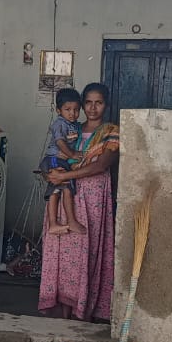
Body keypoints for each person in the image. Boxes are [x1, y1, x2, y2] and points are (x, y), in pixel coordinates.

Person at [38, 83, 120, 323]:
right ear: (82, 105)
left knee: (86, 252)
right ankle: (63, 312)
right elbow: (52, 157)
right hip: (66, 197)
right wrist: (51, 175)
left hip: (93, 200)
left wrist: (65, 176)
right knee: (63, 252)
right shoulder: (70, 128)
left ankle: (83, 311)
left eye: (99, 103)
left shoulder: (111, 132)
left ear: (106, 105)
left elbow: (100, 165)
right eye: (88, 103)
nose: (93, 108)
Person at [39, 88, 83, 235]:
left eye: (76, 110)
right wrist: (72, 154)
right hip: (53, 159)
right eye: (67, 109)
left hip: (62, 161)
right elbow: (60, 142)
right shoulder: (59, 123)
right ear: (59, 110)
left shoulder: (75, 125)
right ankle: (54, 223)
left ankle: (68, 221)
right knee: (56, 189)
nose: (72, 113)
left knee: (65, 189)